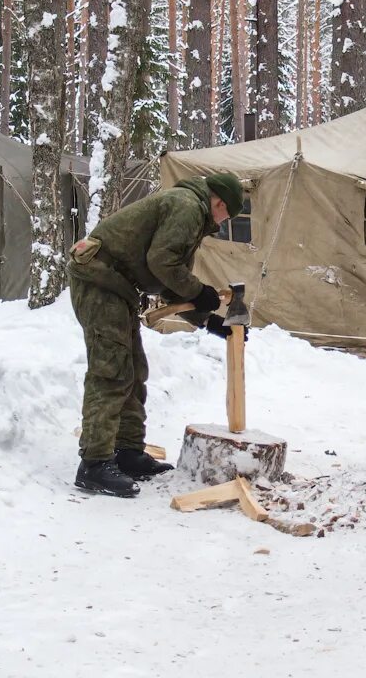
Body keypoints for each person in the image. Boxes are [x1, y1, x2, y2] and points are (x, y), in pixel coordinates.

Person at [65, 172, 247, 498]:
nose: (222, 223)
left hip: (116, 286)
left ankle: (127, 452)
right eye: (226, 215)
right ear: (219, 203)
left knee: (133, 370)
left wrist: (207, 320)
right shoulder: (187, 206)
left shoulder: (190, 209)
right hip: (99, 280)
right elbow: (162, 263)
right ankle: (93, 464)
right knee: (112, 371)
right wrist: (201, 291)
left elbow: (169, 279)